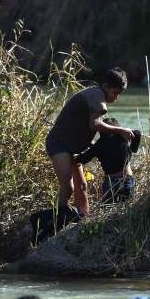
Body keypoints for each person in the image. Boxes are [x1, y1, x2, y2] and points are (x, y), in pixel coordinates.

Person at [45, 68, 135, 217]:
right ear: (105, 86)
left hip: (73, 146)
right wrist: (121, 130)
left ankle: (84, 216)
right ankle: (60, 216)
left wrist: (94, 147)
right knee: (68, 187)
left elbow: (85, 127)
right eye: (115, 93)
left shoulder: (95, 94)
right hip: (59, 144)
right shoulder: (98, 100)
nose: (116, 98)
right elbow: (96, 125)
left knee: (82, 185)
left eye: (119, 94)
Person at [75, 119, 141, 204]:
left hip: (111, 183)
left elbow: (83, 159)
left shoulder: (100, 144)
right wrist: (133, 148)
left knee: (108, 206)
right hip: (127, 180)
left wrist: (73, 154)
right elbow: (137, 133)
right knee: (127, 206)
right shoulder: (123, 137)